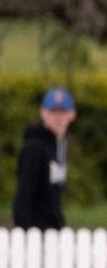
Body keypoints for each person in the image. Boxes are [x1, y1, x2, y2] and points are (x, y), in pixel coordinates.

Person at [12, 87, 77, 231]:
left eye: (63, 112)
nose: (58, 118)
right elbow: (24, 192)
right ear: (43, 113)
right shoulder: (33, 148)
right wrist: (24, 230)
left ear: (72, 114)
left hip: (53, 228)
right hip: (35, 230)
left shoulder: (60, 145)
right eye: (53, 112)